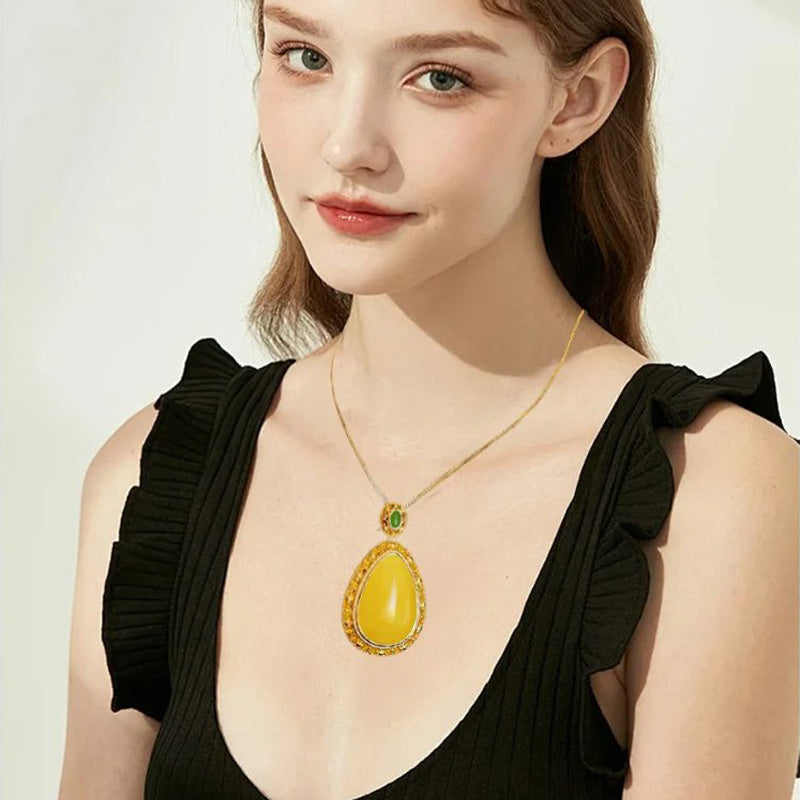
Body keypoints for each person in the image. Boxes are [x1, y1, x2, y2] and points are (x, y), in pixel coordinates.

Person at [58, 1, 800, 798]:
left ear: (578, 100)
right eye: (306, 57)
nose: (347, 146)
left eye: (440, 78)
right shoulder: (150, 474)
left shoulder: (712, 495)